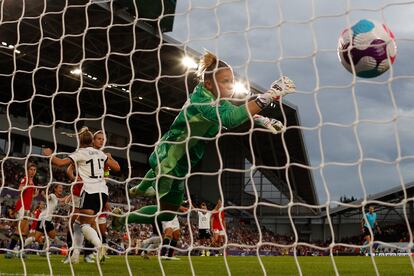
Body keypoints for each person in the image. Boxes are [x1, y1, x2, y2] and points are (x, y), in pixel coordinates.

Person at [112, 50, 295, 229]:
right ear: (208, 84)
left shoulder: (214, 99)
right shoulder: (202, 103)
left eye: (232, 81)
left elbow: (231, 110)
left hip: (182, 162)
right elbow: (230, 119)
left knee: (167, 213)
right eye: (225, 82)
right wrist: (269, 95)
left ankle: (123, 218)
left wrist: (261, 119)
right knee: (162, 189)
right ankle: (145, 186)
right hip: (168, 159)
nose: (231, 86)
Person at [43, 127, 120, 263]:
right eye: (99, 139)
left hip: (89, 191)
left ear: (79, 140)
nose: (101, 141)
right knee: (78, 223)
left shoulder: (80, 153)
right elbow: (117, 168)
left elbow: (60, 163)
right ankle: (75, 255)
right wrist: (110, 157)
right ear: (93, 140)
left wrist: (49, 154)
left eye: (103, 139)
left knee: (84, 225)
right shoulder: (101, 154)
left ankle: (98, 246)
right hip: (103, 193)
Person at [5, 163, 42, 259]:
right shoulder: (25, 179)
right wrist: (23, 187)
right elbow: (20, 189)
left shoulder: (32, 181)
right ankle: (10, 250)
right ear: (27, 170)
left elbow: (28, 195)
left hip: (27, 208)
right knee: (20, 230)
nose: (33, 171)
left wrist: (35, 195)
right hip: (22, 207)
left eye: (34, 170)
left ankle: (21, 252)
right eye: (31, 169)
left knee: (25, 231)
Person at [24, 184, 69, 253]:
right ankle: (22, 246)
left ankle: (43, 251)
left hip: (48, 220)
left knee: (52, 236)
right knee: (36, 238)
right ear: (55, 189)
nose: (61, 189)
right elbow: (48, 198)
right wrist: (44, 195)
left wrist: (69, 196)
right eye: (59, 188)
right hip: (43, 219)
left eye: (62, 188)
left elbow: (62, 201)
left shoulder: (56, 198)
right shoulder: (52, 195)